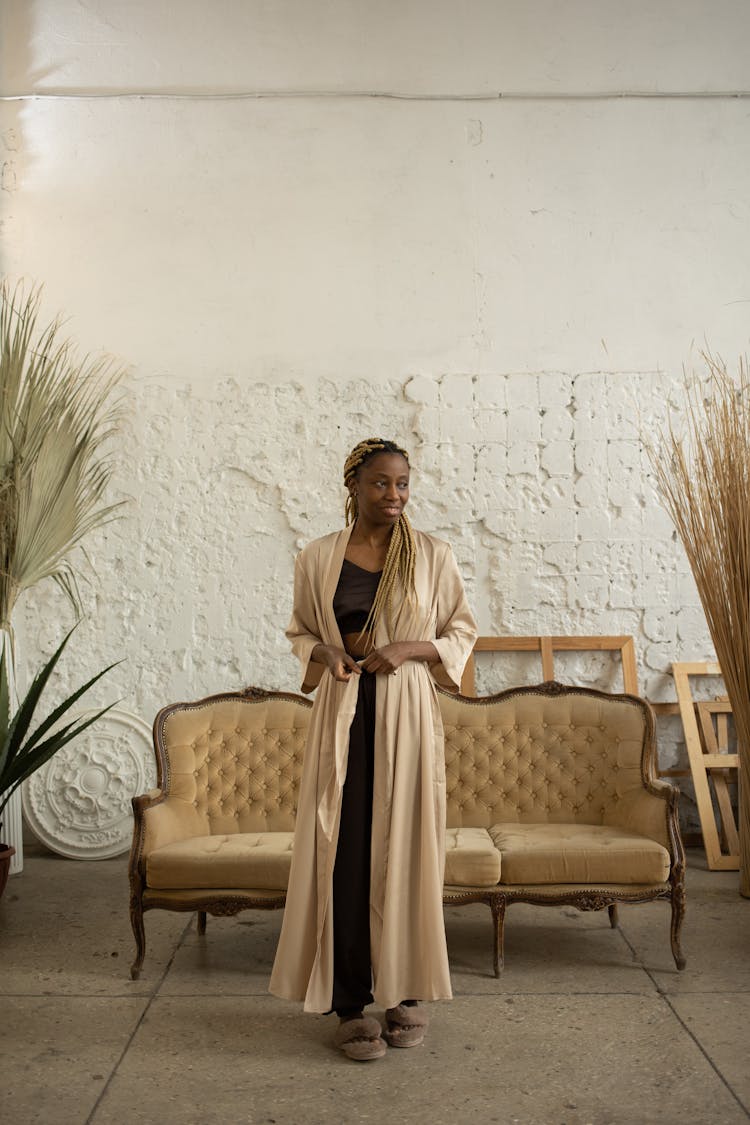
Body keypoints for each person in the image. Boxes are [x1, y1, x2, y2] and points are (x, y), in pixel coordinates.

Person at [269, 438, 477, 1061]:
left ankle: (402, 994)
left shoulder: (433, 556)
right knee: (346, 851)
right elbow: (302, 629)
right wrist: (325, 651)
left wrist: (409, 649)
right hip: (342, 710)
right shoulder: (317, 557)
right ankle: (350, 1003)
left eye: (404, 484)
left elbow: (461, 631)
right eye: (382, 484)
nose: (394, 496)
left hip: (405, 711)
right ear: (354, 485)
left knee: (403, 848)